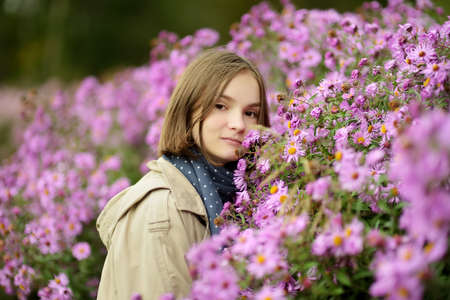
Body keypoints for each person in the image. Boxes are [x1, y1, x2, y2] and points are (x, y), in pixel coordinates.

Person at [96, 49, 270, 299]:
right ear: (188, 110)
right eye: (220, 106)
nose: (239, 124)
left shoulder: (238, 196)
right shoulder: (162, 210)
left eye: (250, 112)